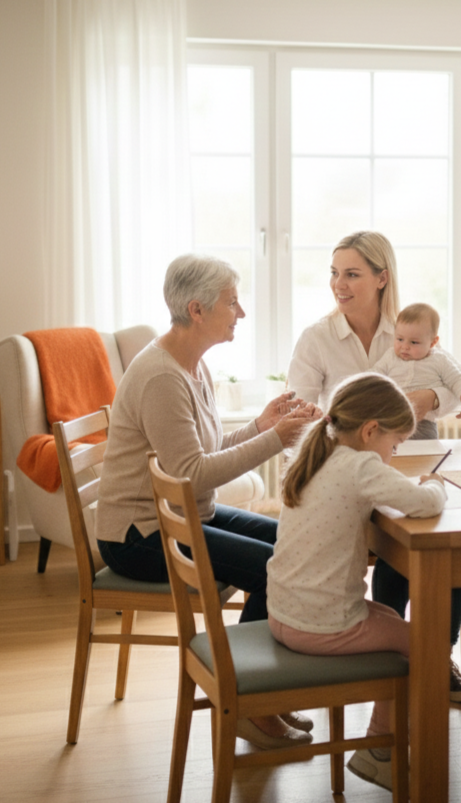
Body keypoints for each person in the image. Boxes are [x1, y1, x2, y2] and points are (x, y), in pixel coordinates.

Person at [96, 253, 320, 750]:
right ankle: (250, 701)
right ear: (197, 310)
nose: (240, 313)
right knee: (274, 566)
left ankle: (264, 692)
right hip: (139, 537)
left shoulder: (192, 367)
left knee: (290, 540)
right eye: (232, 303)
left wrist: (261, 426)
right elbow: (192, 472)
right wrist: (275, 440)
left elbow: (200, 453)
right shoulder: (162, 377)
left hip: (181, 514)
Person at [287, 230, 461, 702]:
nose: (340, 284)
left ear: (381, 278)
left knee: (456, 543)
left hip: (415, 455)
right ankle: (402, 654)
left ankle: (437, 654)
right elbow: (297, 417)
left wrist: (429, 397)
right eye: (335, 273)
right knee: (402, 543)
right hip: (355, 471)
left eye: (352, 274)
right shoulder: (317, 337)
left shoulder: (410, 325)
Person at [268, 373, 447, 792]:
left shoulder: (320, 449)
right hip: (320, 626)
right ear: (370, 431)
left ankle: (378, 741)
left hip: (284, 614)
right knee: (425, 642)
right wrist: (436, 486)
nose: (392, 455)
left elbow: (367, 495)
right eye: (394, 445)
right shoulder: (361, 464)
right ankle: (380, 751)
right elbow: (422, 503)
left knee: (388, 618)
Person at [373, 302, 461, 440]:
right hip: (392, 421)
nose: (405, 347)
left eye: (413, 342)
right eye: (400, 339)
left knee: (427, 455)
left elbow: (456, 378)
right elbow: (373, 375)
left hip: (424, 424)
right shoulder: (390, 357)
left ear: (433, 343)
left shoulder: (439, 359)